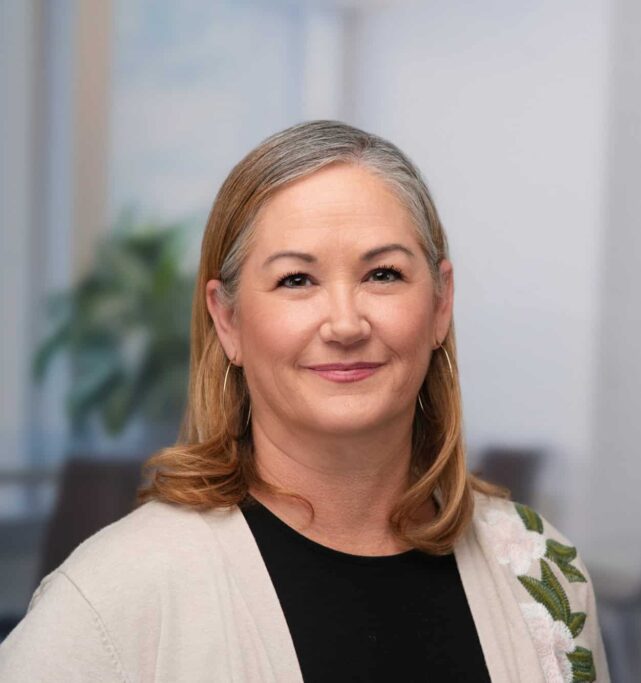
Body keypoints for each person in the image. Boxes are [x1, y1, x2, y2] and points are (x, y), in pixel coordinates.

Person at [0, 120, 609, 682]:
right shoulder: (118, 594)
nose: (345, 323)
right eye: (297, 280)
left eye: (383, 274)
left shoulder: (544, 573)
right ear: (228, 319)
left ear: (440, 304)